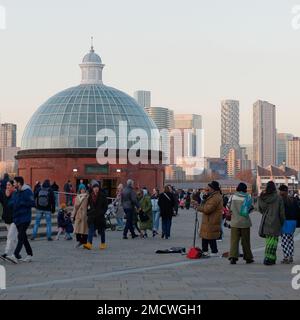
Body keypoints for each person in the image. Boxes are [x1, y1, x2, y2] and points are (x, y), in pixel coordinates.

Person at [258, 181, 285, 266]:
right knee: (274, 241)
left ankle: (267, 257)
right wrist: (283, 222)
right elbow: (281, 212)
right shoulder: (278, 198)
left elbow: (260, 209)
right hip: (276, 222)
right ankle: (271, 258)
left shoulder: (262, 197)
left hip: (266, 221)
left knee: (268, 241)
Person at [9, 176, 35, 263]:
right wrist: (11, 204)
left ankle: (15, 255)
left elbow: (32, 203)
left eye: (15, 182)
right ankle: (29, 254)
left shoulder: (27, 191)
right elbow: (12, 202)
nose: (14, 184)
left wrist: (21, 203)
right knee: (23, 237)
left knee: (20, 236)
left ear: (19, 183)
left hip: (25, 218)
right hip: (17, 218)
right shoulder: (15, 192)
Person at [228, 183, 254, 264]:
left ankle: (233, 257)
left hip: (235, 222)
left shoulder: (232, 197)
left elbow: (228, 206)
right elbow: (251, 208)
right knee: (245, 241)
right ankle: (248, 257)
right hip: (245, 222)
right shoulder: (248, 197)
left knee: (234, 241)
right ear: (245, 189)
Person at [196, 181, 223, 257]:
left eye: (209, 188)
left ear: (213, 189)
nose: (207, 189)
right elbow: (205, 206)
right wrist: (204, 199)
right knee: (206, 236)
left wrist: (198, 207)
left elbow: (208, 209)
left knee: (210, 236)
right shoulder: (212, 196)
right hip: (209, 219)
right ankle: (206, 250)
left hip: (211, 219)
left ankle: (213, 251)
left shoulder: (215, 197)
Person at [83, 181, 108, 250]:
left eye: (97, 187)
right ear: (92, 188)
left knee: (102, 230)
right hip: (92, 216)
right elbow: (88, 205)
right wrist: (88, 212)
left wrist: (102, 212)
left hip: (100, 216)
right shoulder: (90, 196)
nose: (96, 189)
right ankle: (89, 244)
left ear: (99, 188)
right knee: (91, 230)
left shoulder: (103, 195)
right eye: (94, 187)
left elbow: (105, 206)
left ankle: (103, 243)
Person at [279, 184, 300, 264]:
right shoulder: (293, 199)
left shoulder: (281, 200)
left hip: (285, 222)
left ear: (281, 191)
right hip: (293, 222)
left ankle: (286, 257)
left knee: (284, 240)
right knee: (290, 239)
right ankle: (290, 256)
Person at [0, 180, 18, 263]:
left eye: (9, 185)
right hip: (6, 218)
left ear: (13, 186)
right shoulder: (3, 193)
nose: (7, 186)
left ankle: (6, 253)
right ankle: (16, 253)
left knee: (10, 236)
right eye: (7, 185)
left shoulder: (16, 194)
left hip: (14, 219)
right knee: (13, 237)